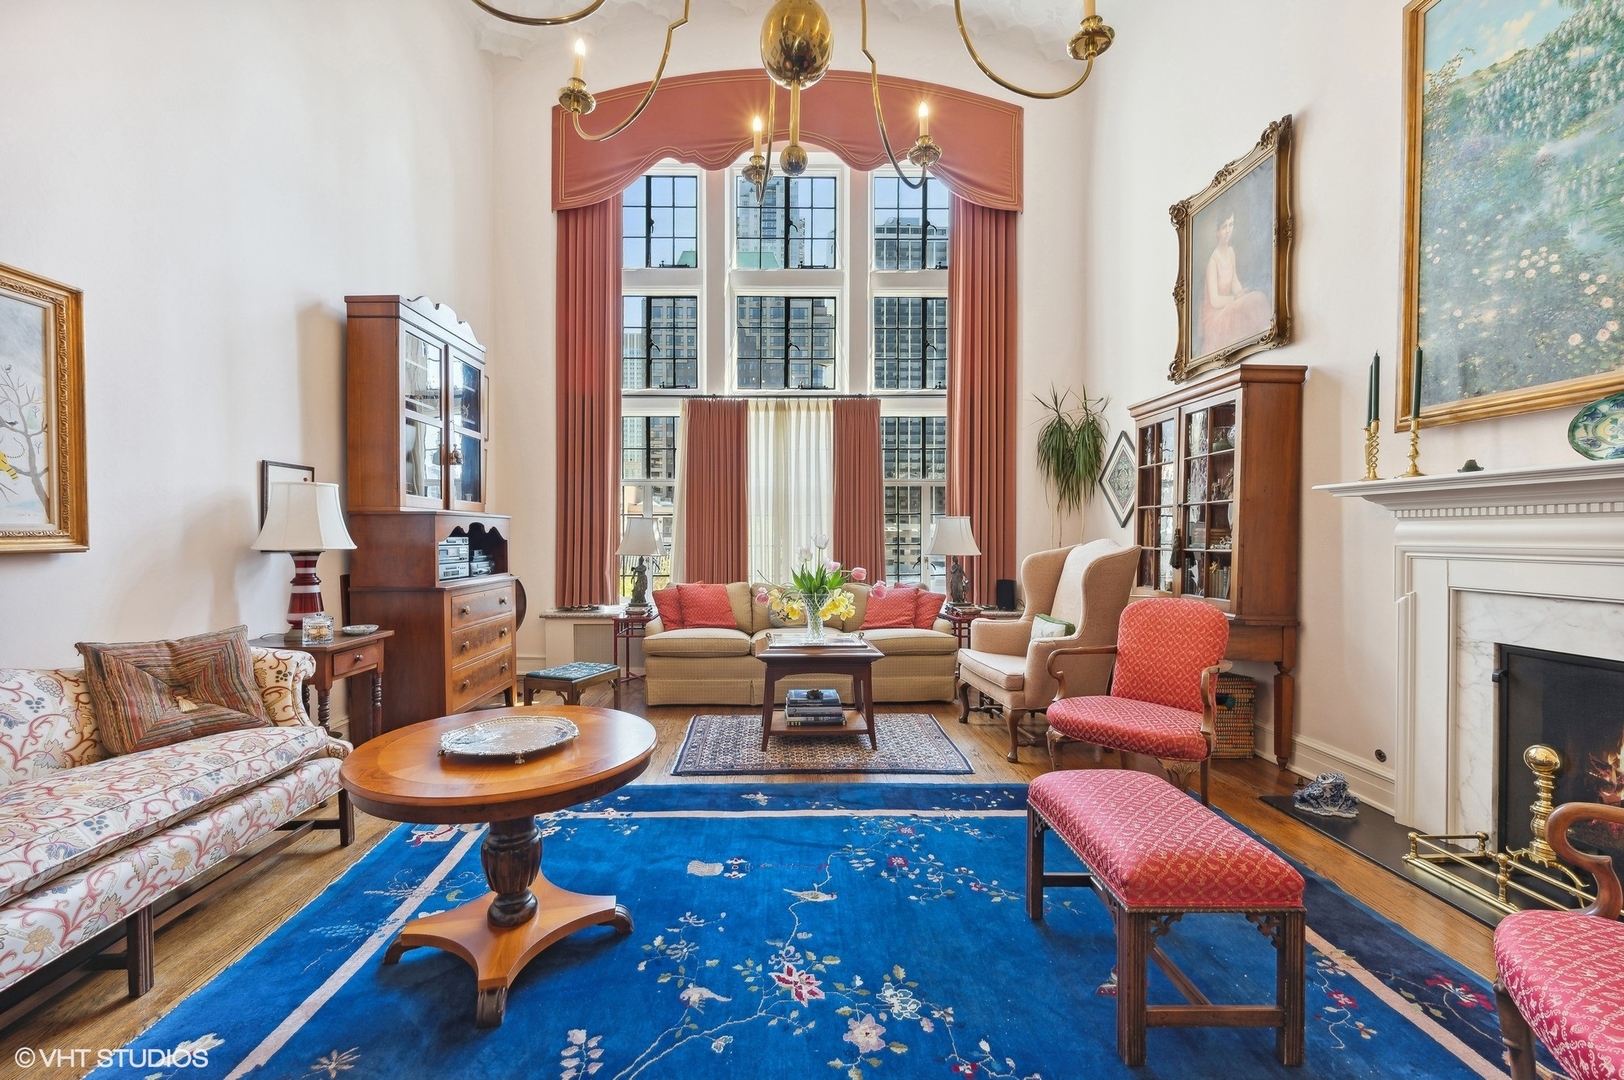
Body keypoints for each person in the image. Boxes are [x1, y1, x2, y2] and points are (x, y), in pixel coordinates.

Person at [1198, 211, 1272, 354]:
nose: (1228, 231)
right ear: (1217, 231)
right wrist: (1236, 298)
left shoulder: (1231, 251)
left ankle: (1267, 340)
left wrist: (1241, 293)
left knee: (1257, 297)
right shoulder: (1213, 262)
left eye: (1231, 225)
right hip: (1215, 315)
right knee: (1249, 303)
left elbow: (1234, 282)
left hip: (1228, 304)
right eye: (1224, 227)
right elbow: (1214, 301)